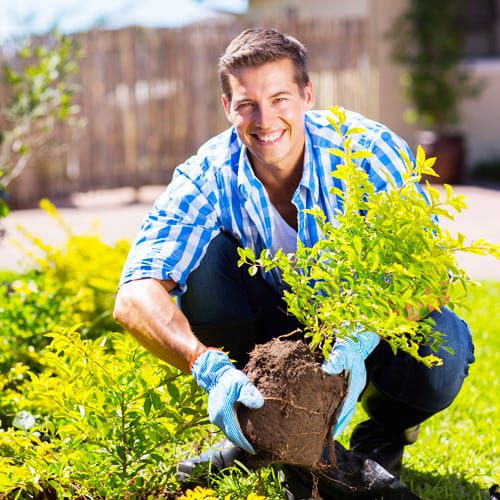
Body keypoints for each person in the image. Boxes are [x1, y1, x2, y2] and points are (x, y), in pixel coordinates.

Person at [113, 27, 474, 491]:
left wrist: (365, 332)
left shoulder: (364, 151)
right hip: (269, 343)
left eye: (280, 98)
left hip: (363, 329)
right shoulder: (207, 174)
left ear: (306, 93)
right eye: (247, 105)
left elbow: (429, 272)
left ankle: (383, 431)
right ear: (228, 108)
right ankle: (262, 429)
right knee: (200, 262)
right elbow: (134, 294)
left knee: (443, 344)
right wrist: (205, 364)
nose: (265, 120)